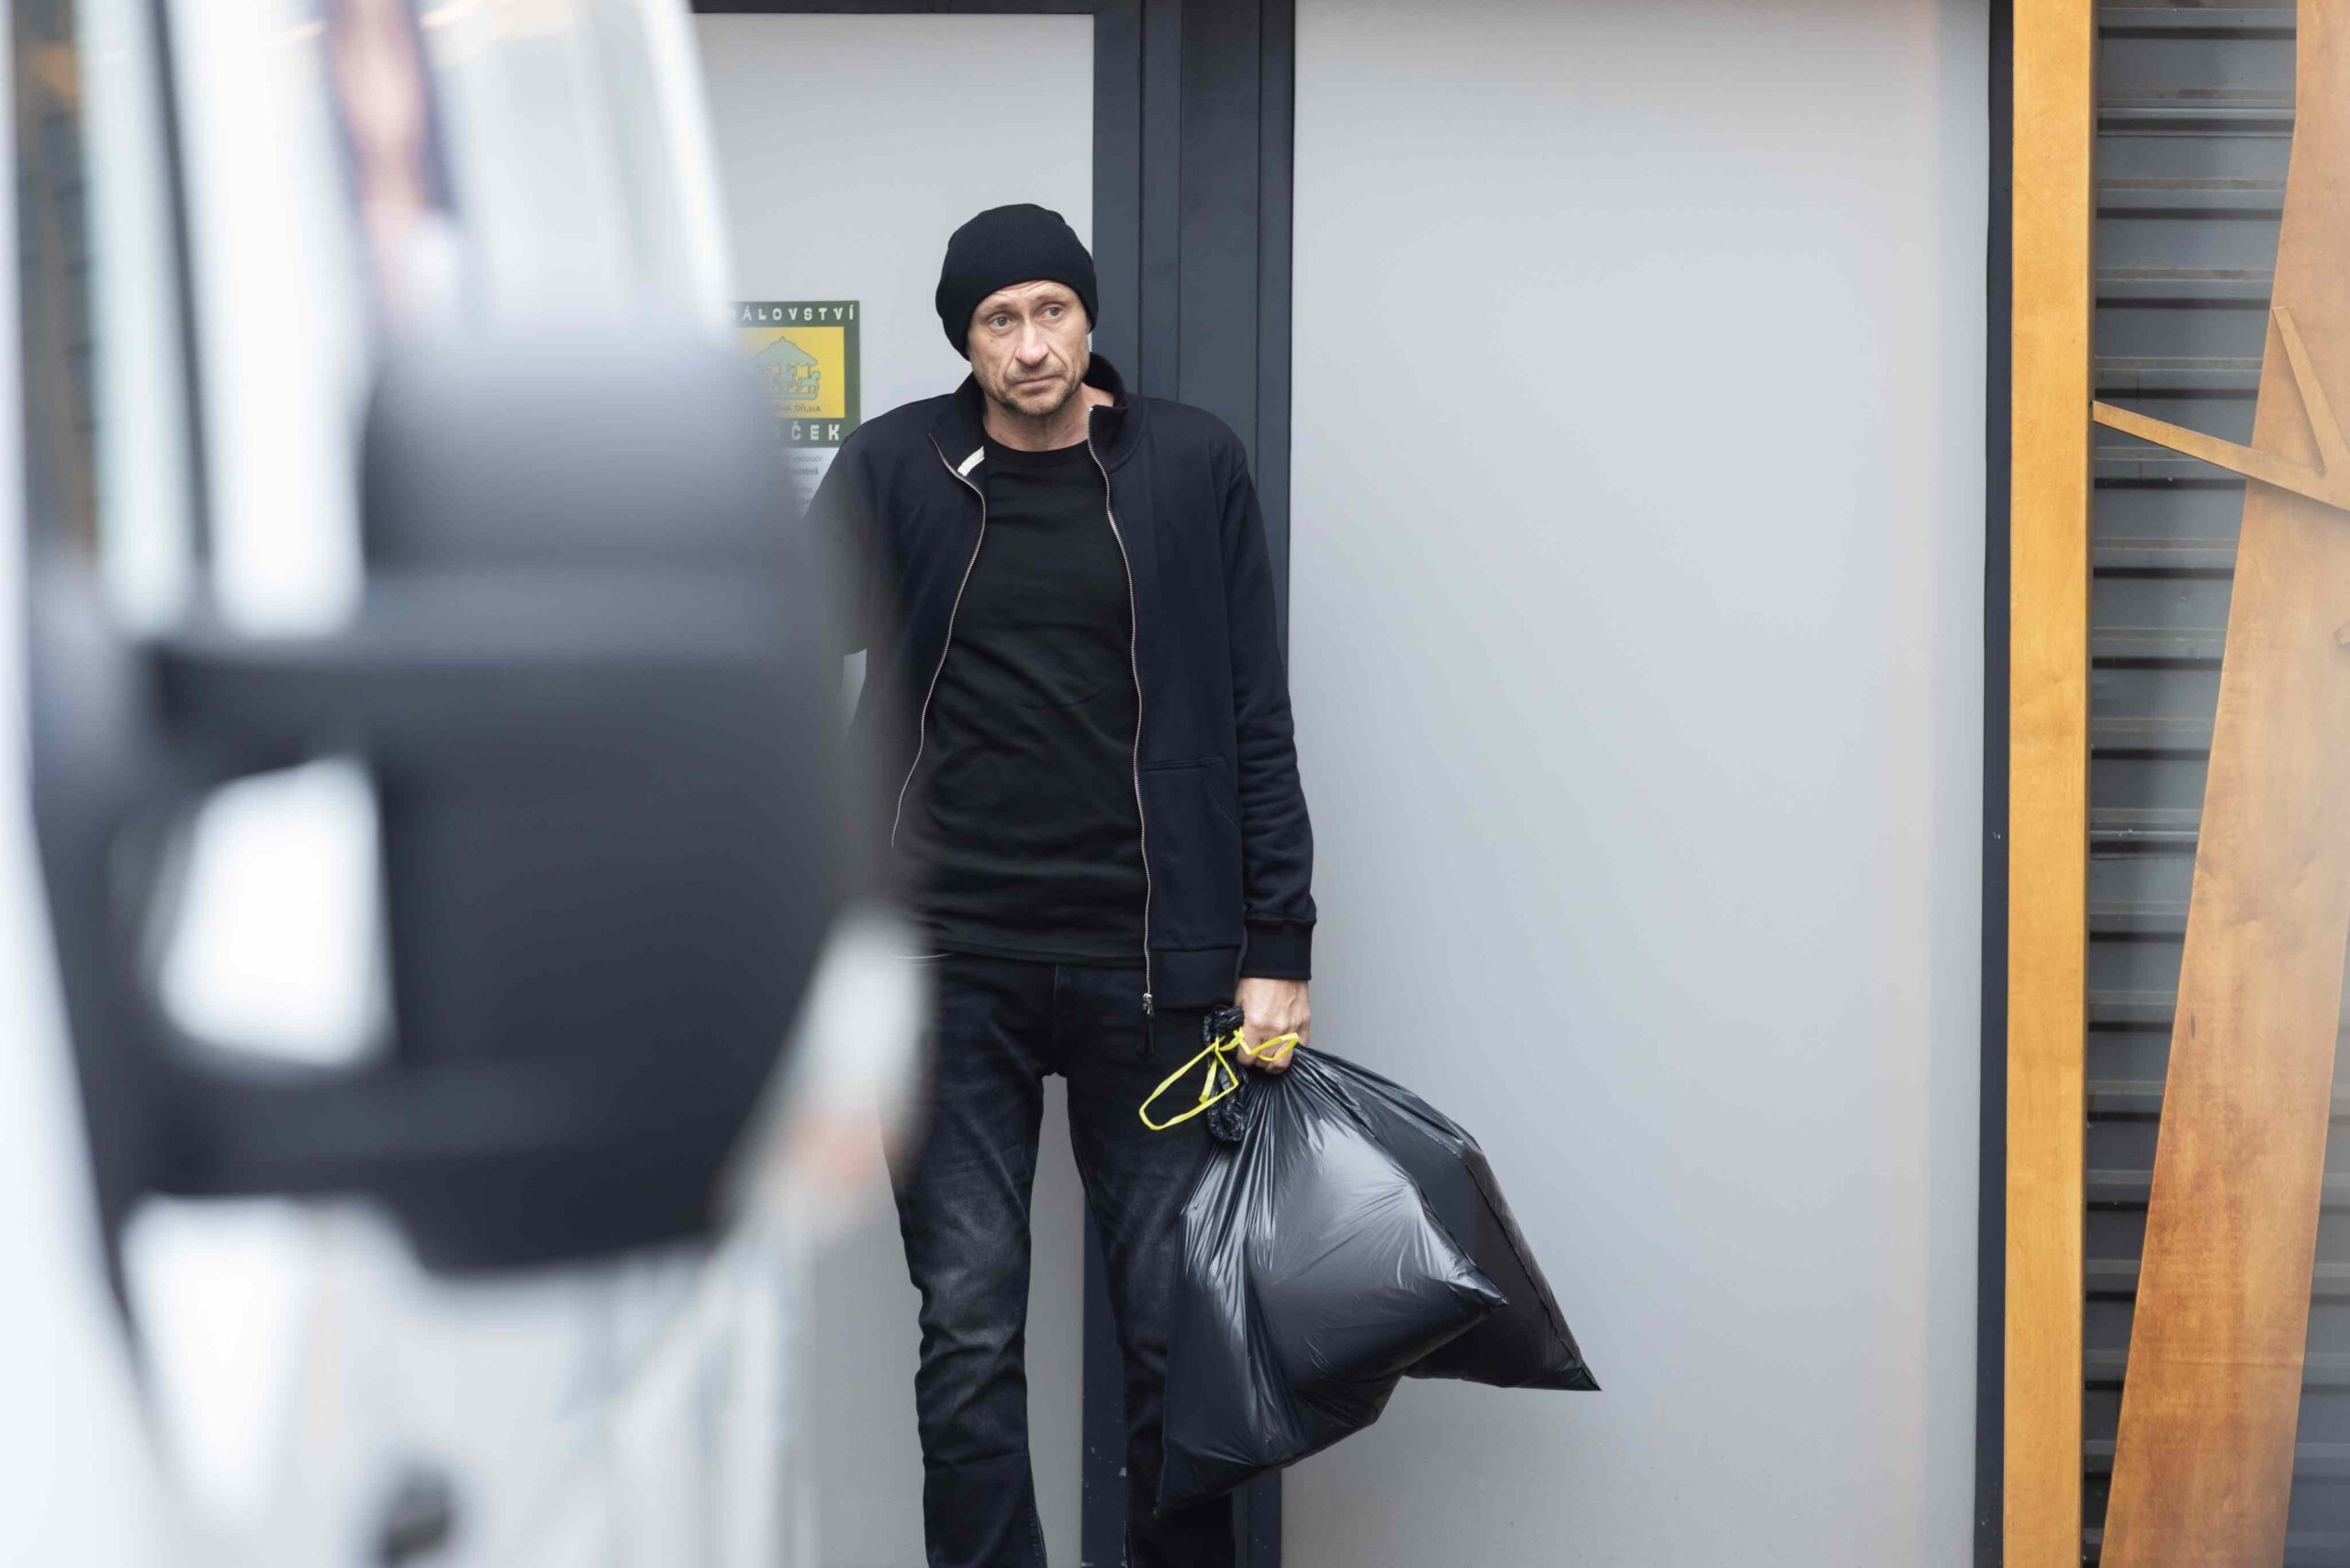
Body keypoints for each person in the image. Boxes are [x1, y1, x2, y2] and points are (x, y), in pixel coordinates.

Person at [807, 202, 1317, 1568]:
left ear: (1088, 318)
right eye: (999, 321)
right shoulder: (899, 465)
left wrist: (1278, 941)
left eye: (1052, 311)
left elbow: (1254, 713)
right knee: (967, 1326)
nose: (1031, 346)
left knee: (1174, 1330)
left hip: (1150, 964)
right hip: (942, 958)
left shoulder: (1189, 465)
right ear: (964, 342)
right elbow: (784, 650)